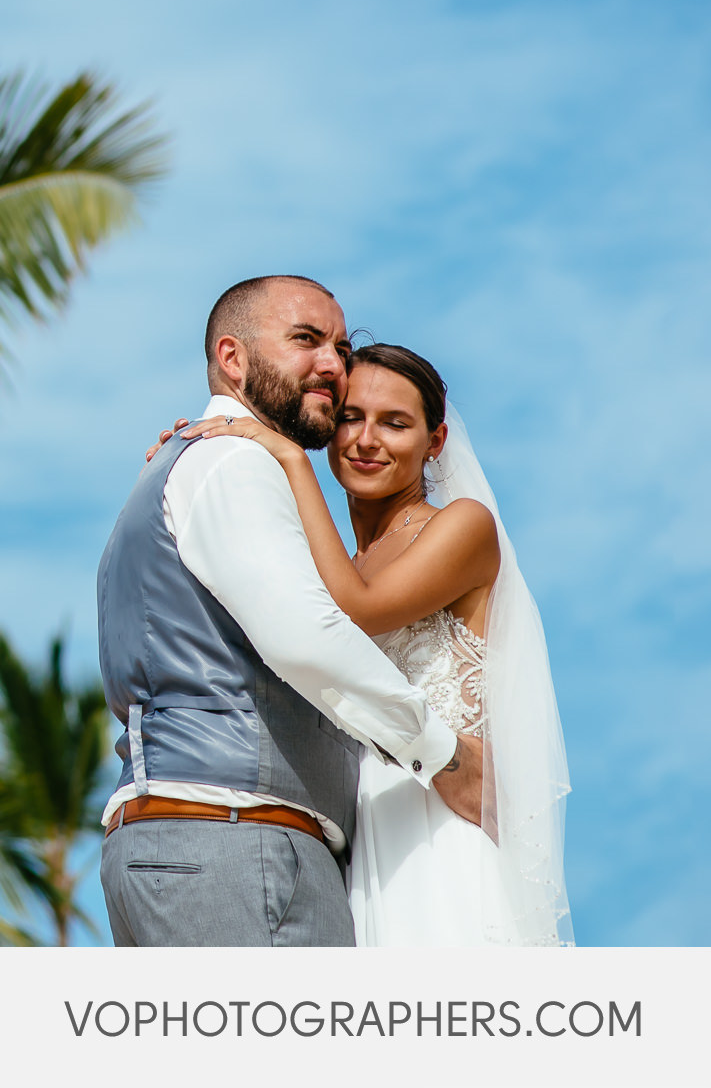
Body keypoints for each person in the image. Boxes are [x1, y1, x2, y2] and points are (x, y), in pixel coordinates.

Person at [96, 275, 480, 946]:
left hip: (189, 844)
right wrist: (444, 753)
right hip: (239, 845)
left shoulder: (178, 466)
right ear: (233, 357)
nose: (333, 363)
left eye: (338, 345)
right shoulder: (233, 465)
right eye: (306, 339)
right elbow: (310, 639)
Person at [169, 341, 573, 944]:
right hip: (358, 837)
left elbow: (357, 610)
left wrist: (287, 456)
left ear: (434, 443)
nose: (365, 440)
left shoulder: (462, 526)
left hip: (439, 825)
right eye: (351, 417)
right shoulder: (339, 561)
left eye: (396, 423)